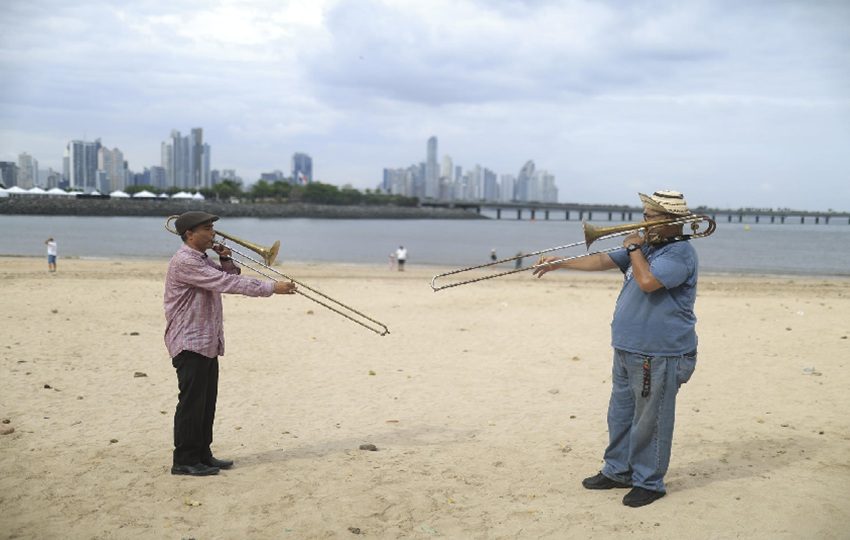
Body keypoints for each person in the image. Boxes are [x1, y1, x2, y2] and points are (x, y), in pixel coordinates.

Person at [533, 190, 699, 508]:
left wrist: (635, 246)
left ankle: (649, 482)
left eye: (649, 217)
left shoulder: (679, 254)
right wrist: (561, 263)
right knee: (620, 414)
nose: (642, 222)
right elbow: (602, 259)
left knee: (651, 419)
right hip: (628, 348)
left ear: (671, 221)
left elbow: (648, 281)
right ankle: (618, 471)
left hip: (658, 352)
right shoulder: (649, 246)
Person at [164, 211, 297, 477]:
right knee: (191, 403)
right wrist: (272, 288)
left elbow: (229, 273)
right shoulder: (185, 261)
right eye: (207, 228)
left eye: (212, 227)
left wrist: (225, 258)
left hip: (206, 339)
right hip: (189, 339)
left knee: (206, 402)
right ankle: (185, 460)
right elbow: (228, 283)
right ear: (190, 234)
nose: (213, 232)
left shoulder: (201, 258)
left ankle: (203, 454)